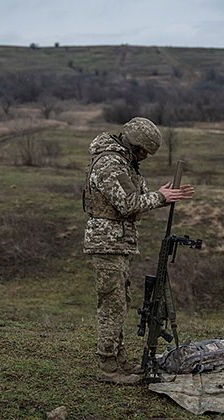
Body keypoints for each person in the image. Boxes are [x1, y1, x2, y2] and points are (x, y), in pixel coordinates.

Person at [82, 117, 195, 384]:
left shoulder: (125, 162)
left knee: (120, 303)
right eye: (143, 150)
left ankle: (119, 360)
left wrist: (161, 194)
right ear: (134, 143)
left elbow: (138, 196)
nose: (144, 157)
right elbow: (128, 203)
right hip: (107, 242)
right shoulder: (110, 163)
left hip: (117, 242)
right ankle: (108, 367)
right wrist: (161, 197)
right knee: (112, 305)